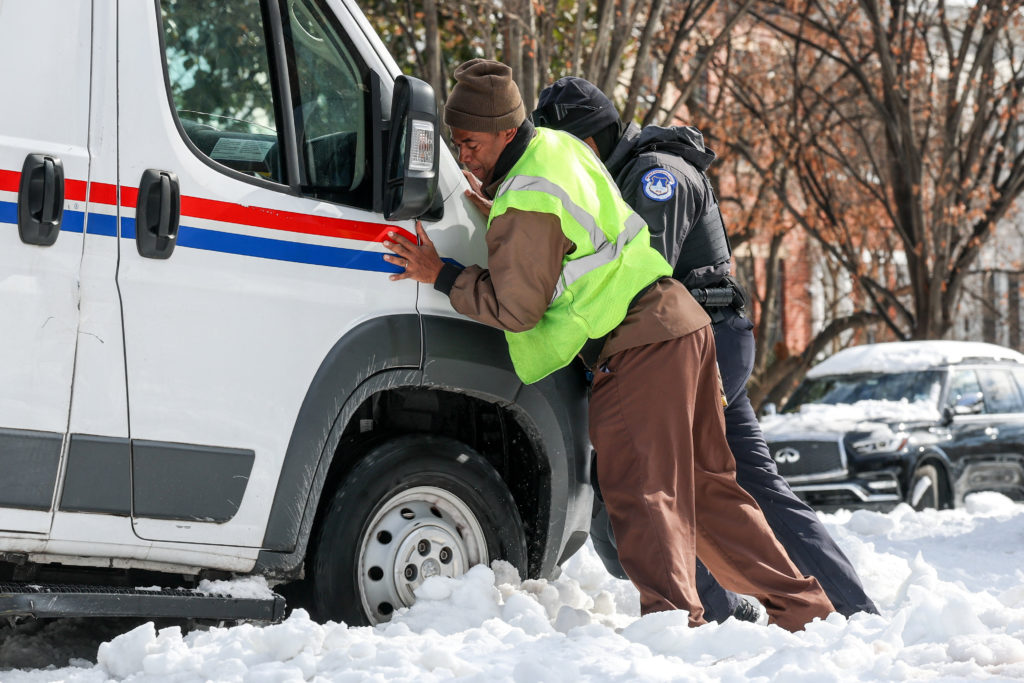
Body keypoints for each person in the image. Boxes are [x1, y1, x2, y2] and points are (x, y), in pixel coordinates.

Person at [383, 58, 835, 631]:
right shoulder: (555, 148)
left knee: (641, 494)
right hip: (684, 326)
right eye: (456, 143)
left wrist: (441, 274)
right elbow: (566, 225)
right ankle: (806, 610)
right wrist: (497, 210)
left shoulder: (527, 196)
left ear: (503, 131)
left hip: (637, 345)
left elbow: (518, 309)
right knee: (710, 492)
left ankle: (674, 624)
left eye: (469, 143)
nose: (463, 155)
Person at [530, 76, 878, 622]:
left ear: (587, 146)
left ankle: (725, 612)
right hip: (696, 342)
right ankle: (831, 612)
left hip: (691, 342)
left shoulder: (655, 179)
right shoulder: (627, 173)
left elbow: (634, 280)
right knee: (740, 486)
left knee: (658, 485)